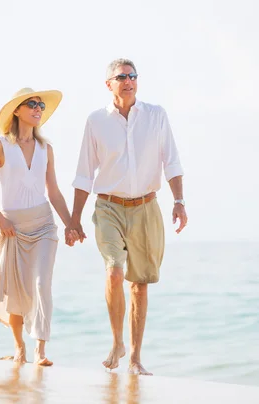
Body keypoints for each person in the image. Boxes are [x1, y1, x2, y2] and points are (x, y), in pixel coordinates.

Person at [68, 58, 188, 375]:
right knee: (113, 272)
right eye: (121, 76)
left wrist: (179, 200)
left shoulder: (156, 116)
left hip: (147, 207)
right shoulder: (96, 121)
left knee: (139, 285)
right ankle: (117, 342)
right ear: (108, 84)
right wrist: (74, 219)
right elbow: (83, 174)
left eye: (133, 76)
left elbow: (172, 162)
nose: (128, 81)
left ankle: (135, 359)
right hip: (108, 206)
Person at [0, 87, 77, 365]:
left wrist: (71, 224)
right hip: (12, 229)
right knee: (16, 293)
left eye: (41, 105)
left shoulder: (46, 149)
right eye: (32, 104)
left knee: (42, 284)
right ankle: (19, 348)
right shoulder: (1, 145)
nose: (38, 109)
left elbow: (53, 192)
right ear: (16, 110)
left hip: (43, 225)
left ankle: (41, 350)